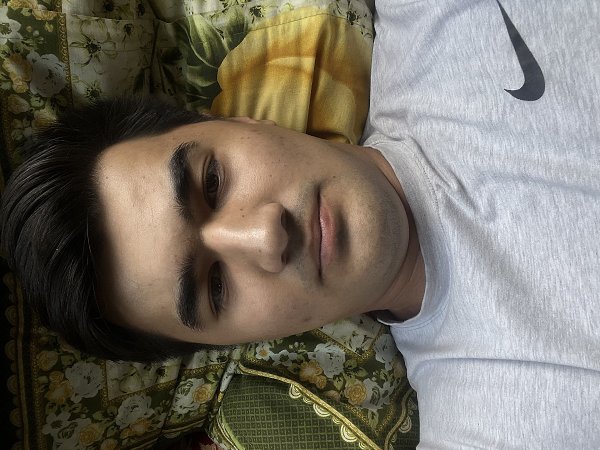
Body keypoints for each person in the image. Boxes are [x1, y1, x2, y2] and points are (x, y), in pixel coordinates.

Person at [1, 0, 599, 447]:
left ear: (240, 122)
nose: (264, 236)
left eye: (213, 182)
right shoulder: (493, 429)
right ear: (238, 341)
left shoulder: (435, 12)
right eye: (215, 288)